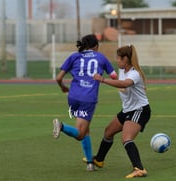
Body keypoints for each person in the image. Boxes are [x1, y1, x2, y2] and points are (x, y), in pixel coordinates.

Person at [52, 34, 118, 171]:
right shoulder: (101, 57)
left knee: (85, 129)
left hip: (73, 97)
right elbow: (114, 76)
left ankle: (89, 163)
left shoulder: (74, 56)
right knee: (81, 133)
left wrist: (63, 87)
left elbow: (58, 78)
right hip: (88, 98)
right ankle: (61, 126)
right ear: (96, 46)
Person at [92, 44, 151, 178]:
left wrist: (103, 79)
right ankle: (99, 160)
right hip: (128, 110)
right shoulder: (122, 71)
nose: (117, 61)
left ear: (126, 59)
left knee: (126, 138)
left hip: (140, 110)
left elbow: (125, 84)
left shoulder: (134, 74)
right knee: (108, 131)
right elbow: (121, 85)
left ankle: (140, 169)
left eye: (118, 58)